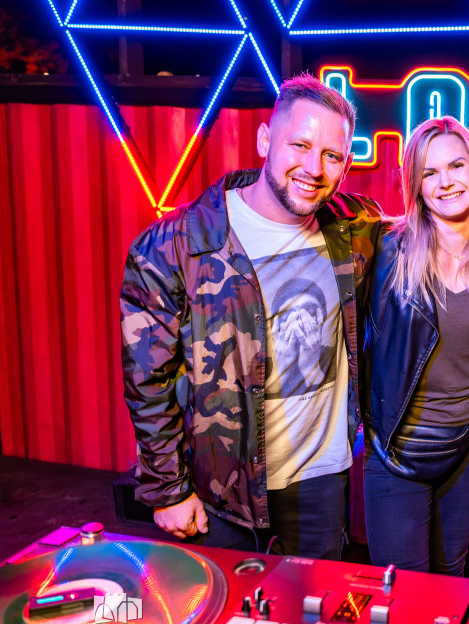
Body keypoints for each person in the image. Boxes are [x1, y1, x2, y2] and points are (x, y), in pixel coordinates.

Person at [120, 74, 382, 559]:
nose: (314, 168)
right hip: (221, 490)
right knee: (223, 607)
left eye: (332, 155)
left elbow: (426, 227)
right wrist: (167, 489)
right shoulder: (175, 245)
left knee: (315, 605)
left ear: (346, 164)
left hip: (321, 483)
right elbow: (147, 382)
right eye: (300, 145)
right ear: (265, 140)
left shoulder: (355, 229)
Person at [362, 116, 469, 575]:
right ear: (415, 185)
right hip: (395, 450)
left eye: (456, 166)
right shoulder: (385, 250)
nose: (445, 182)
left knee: (453, 574)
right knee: (401, 585)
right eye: (429, 172)